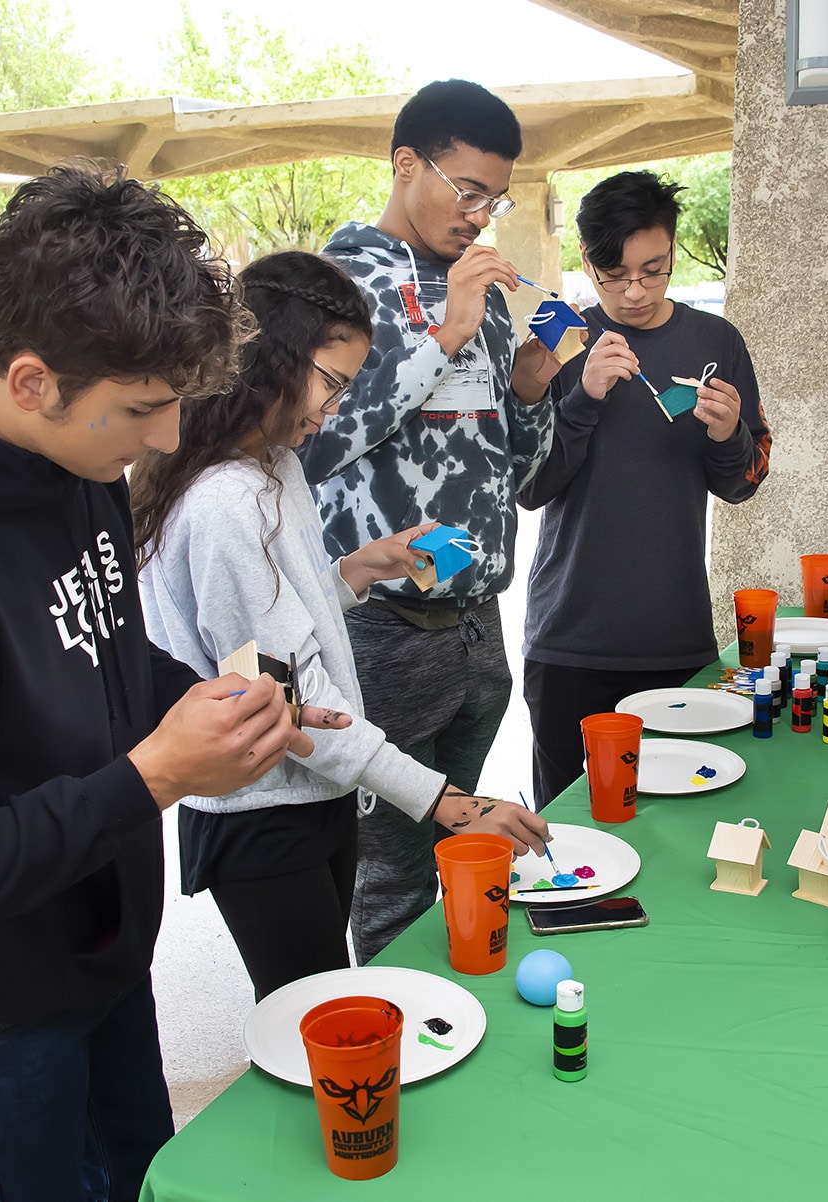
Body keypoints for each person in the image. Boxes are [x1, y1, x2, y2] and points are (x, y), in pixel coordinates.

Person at [0, 164, 328, 1202]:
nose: (168, 439)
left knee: (139, 1179)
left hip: (100, 947)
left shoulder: (68, 461)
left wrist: (215, 702)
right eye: (143, 409)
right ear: (32, 379)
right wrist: (154, 779)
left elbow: (108, 653)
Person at [133, 251, 548, 1002]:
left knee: (323, 1001)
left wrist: (359, 569)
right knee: (313, 1021)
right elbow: (294, 693)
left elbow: (279, 624)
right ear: (267, 359)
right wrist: (445, 799)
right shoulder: (227, 502)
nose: (329, 413)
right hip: (261, 813)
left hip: (309, 795)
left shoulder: (272, 464)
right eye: (329, 383)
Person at [299, 79, 557, 963]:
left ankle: (455, 1017)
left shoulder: (478, 288)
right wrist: (442, 336)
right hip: (380, 629)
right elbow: (312, 447)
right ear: (406, 164)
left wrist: (528, 391)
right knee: (388, 877)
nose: (482, 215)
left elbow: (516, 476)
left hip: (478, 630)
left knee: (463, 851)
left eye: (496, 197)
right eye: (468, 190)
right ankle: (396, 1035)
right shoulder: (331, 286)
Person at [519, 170, 771, 808]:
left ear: (672, 252)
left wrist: (729, 434)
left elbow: (743, 484)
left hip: (674, 636)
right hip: (570, 638)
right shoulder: (557, 333)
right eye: (613, 274)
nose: (633, 291)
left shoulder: (716, 341)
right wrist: (582, 398)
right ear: (586, 260)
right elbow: (529, 485)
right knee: (570, 822)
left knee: (676, 821)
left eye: (653, 271)